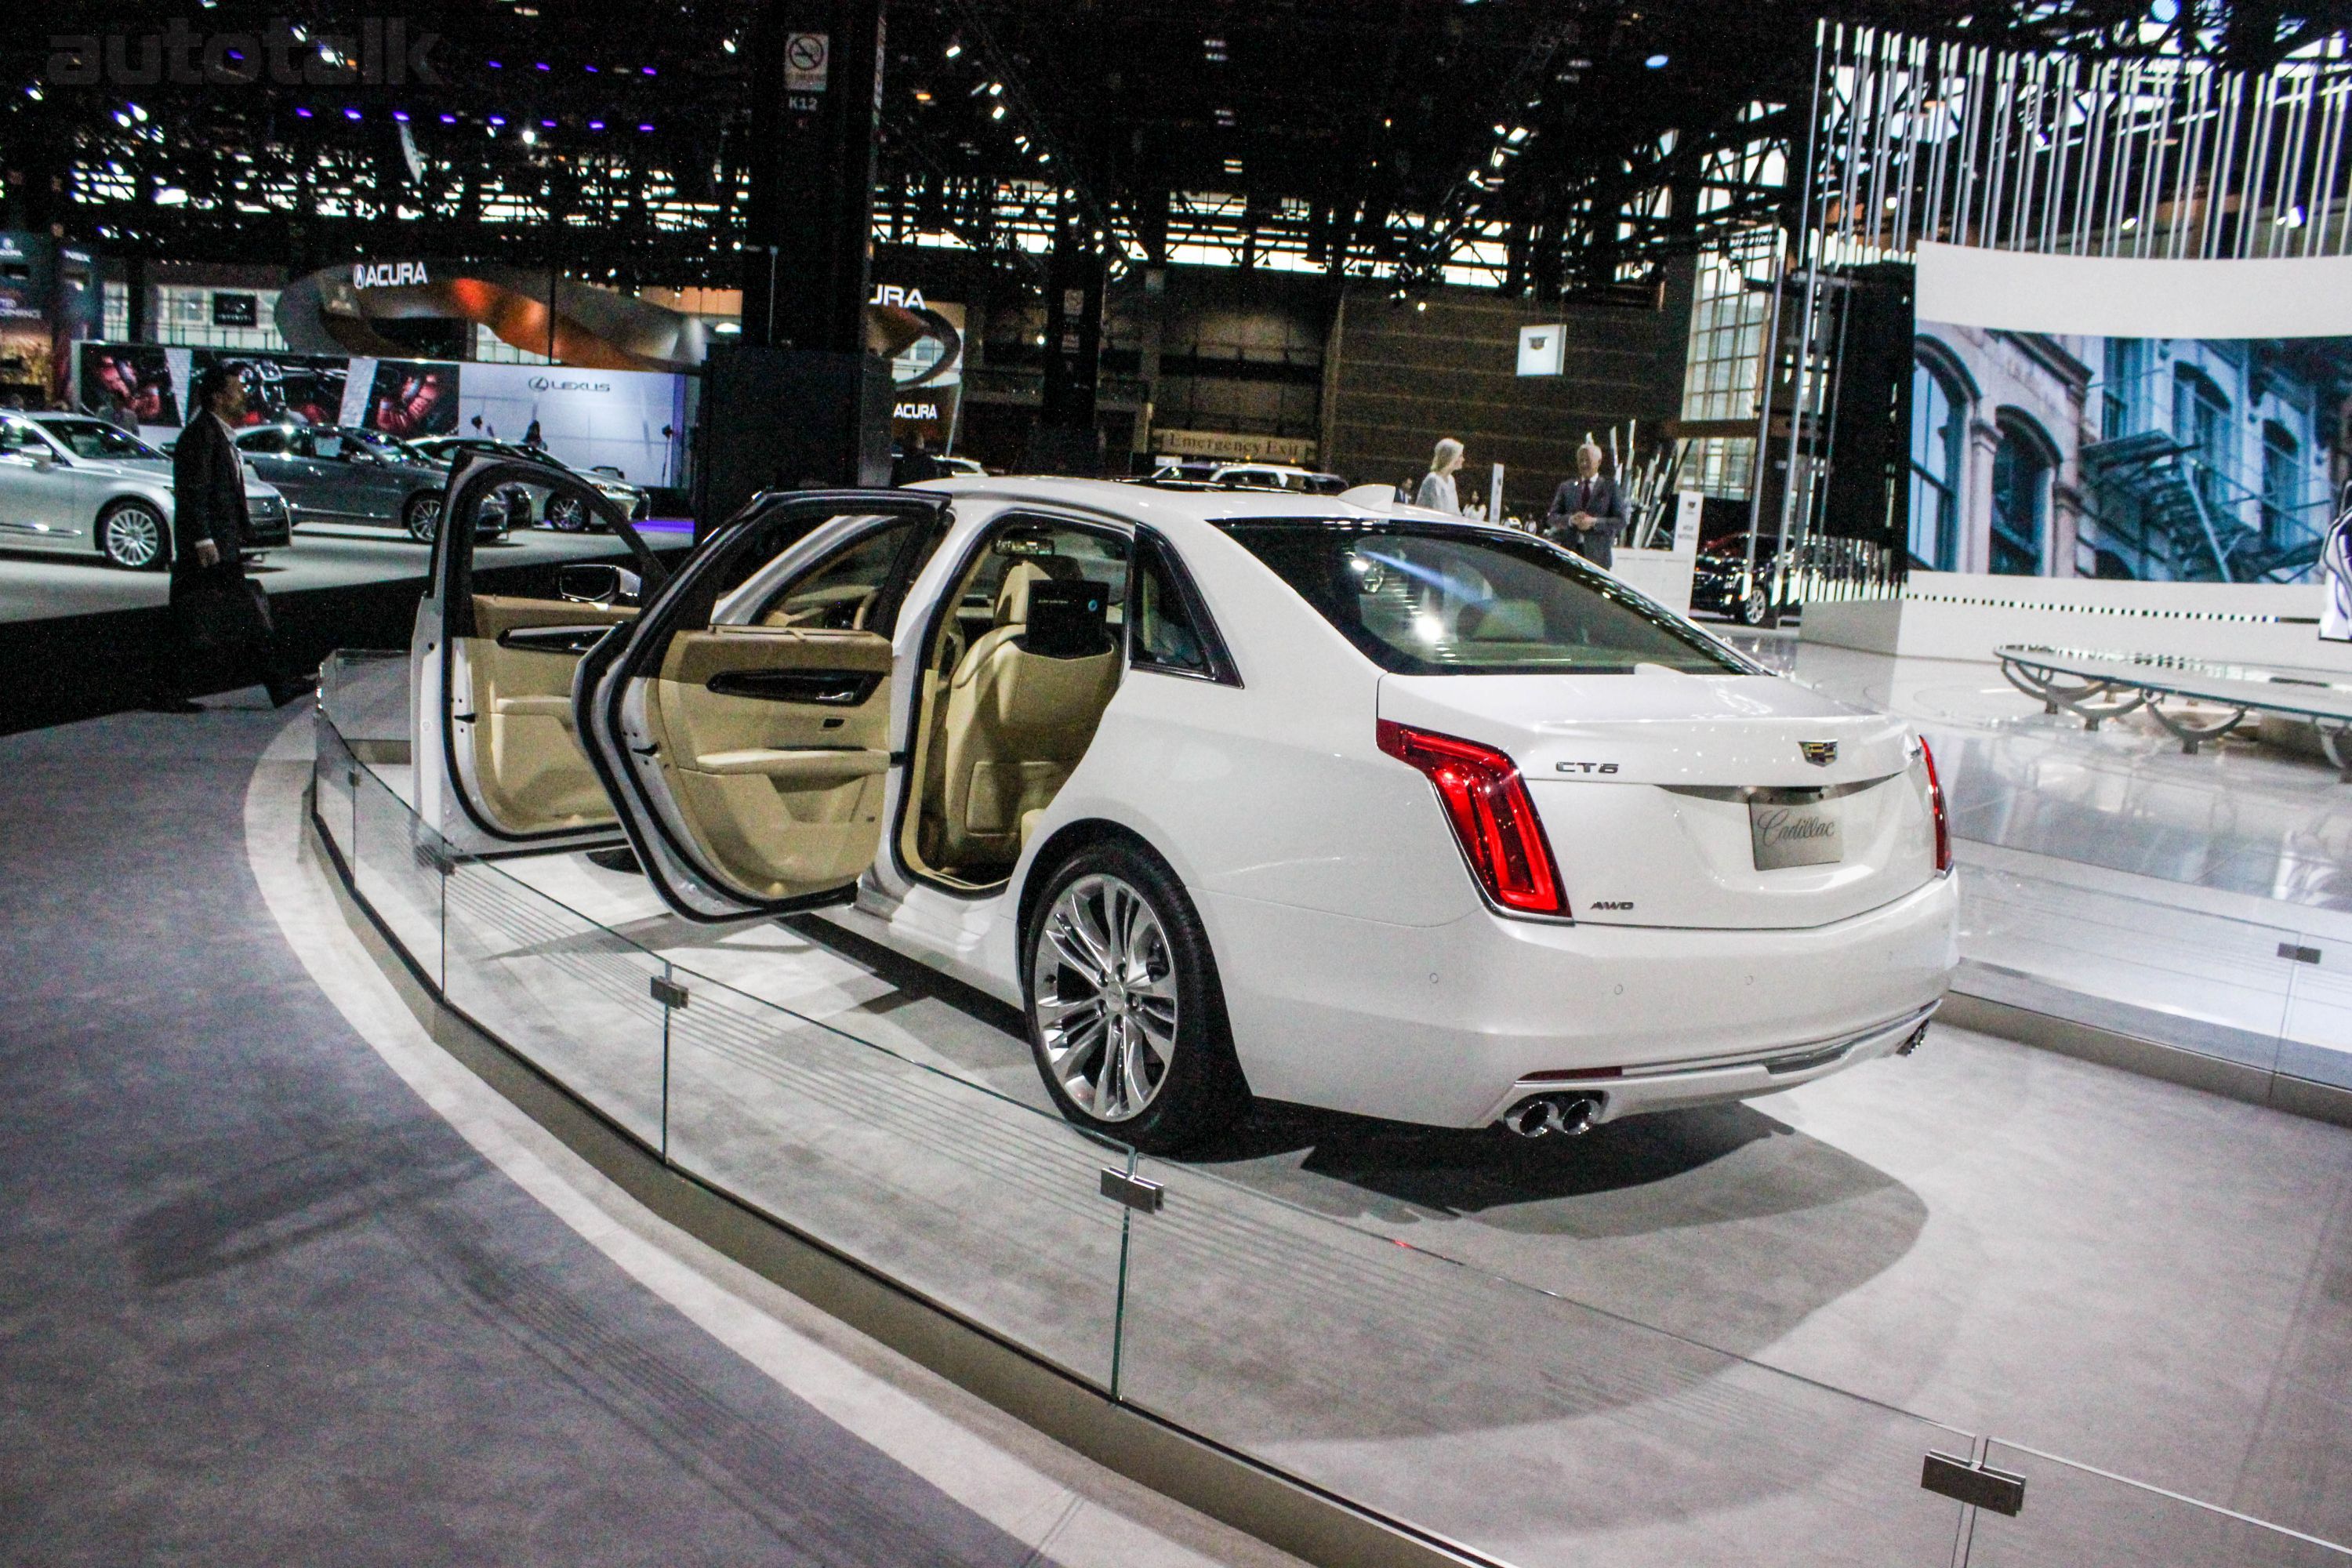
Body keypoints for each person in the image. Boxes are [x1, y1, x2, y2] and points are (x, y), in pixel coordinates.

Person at [163, 365, 313, 711]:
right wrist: (204, 539)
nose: (244, 395)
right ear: (218, 398)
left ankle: (168, 690)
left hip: (216, 545)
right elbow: (193, 491)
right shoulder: (200, 436)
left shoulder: (217, 435)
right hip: (208, 548)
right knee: (246, 614)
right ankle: (279, 684)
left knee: (190, 620)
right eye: (237, 390)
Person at [1544, 439, 1629, 568]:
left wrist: (1594, 522)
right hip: (1570, 554)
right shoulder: (1566, 487)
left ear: (1599, 462)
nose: (1584, 464)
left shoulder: (1610, 488)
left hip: (1598, 558)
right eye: (1580, 461)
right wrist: (1571, 520)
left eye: (1588, 461)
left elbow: (1621, 521)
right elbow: (1552, 518)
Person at [1415, 437, 1465, 514]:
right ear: (1451, 457)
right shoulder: (1433, 479)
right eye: (1460, 456)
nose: (1463, 459)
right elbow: (1437, 510)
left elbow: (1455, 510)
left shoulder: (1451, 480)